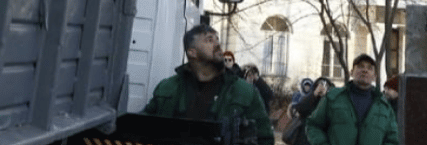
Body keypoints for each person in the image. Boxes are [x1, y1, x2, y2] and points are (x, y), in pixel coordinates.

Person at [143, 24, 273, 143]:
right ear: (192, 52)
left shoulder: (245, 92)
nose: (217, 44)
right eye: (209, 40)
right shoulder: (167, 88)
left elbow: (265, 138)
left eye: (217, 39)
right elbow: (140, 128)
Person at [305, 55, 398, 145]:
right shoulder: (333, 98)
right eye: (360, 66)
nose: (365, 70)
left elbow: (393, 139)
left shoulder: (384, 106)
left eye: (369, 68)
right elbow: (313, 125)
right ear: (351, 72)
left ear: (375, 77)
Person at [284, 76, 330, 145]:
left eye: (324, 86)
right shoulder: (309, 98)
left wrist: (325, 96)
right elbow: (300, 109)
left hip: (321, 137)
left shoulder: (330, 101)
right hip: (304, 137)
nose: (321, 88)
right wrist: (314, 94)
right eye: (319, 85)